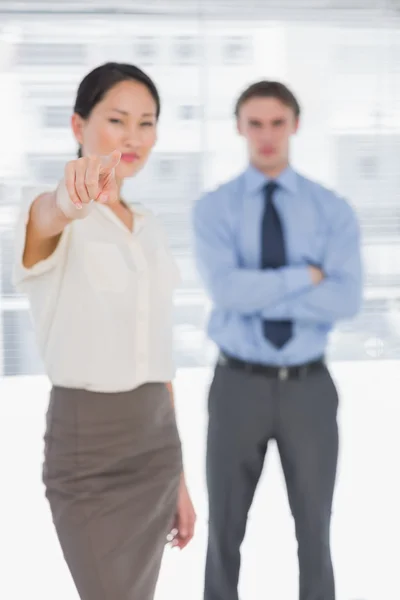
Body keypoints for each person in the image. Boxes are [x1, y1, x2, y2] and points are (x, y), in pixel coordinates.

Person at [13, 62, 196, 600]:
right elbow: (50, 216)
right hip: (88, 449)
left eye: (147, 122)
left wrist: (180, 479)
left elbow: (158, 355)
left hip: (157, 443)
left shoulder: (151, 227)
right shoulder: (48, 207)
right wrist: (69, 200)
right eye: (117, 119)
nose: (134, 136)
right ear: (77, 126)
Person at [192, 80, 363, 600]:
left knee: (315, 533)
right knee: (224, 533)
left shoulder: (331, 209)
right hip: (237, 384)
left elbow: (345, 300)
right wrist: (304, 277)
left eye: (277, 123)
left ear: (295, 125)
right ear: (240, 128)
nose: (267, 136)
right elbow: (226, 289)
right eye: (256, 124)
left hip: (308, 388)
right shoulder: (214, 208)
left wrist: (259, 289)